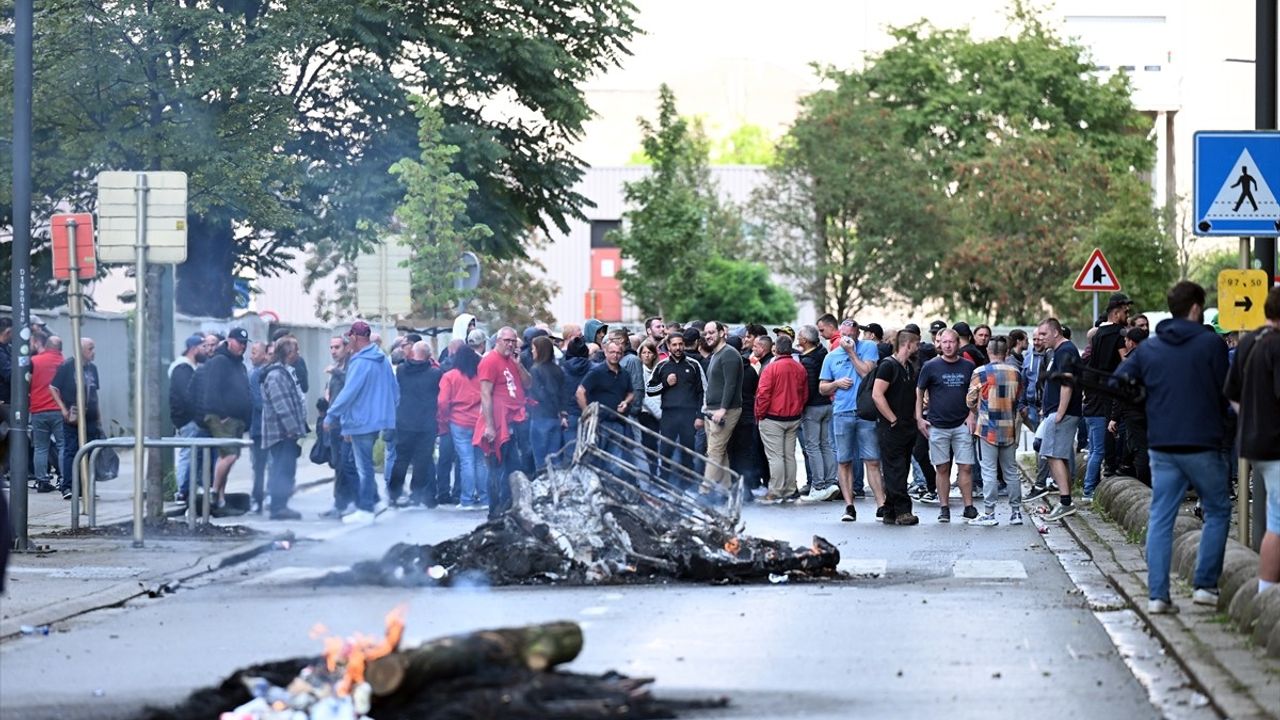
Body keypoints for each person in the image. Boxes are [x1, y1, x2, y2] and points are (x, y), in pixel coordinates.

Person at [1117, 281, 1230, 614]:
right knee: (1218, 511)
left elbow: (1121, 379)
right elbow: (1226, 391)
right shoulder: (1211, 344)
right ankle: (1205, 587)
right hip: (1204, 444)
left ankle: (1157, 596)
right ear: (1195, 308)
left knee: (1161, 517)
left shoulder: (1149, 348)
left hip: (1162, 444)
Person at [1224, 285, 1280, 598]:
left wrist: (1253, 420)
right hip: (1276, 446)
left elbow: (1231, 392)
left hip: (1253, 443)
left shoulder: (1250, 341)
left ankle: (1266, 593)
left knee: (1276, 519)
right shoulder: (1277, 346)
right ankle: (1267, 597)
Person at [325, 321, 399, 524]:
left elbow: (349, 393)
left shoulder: (359, 362)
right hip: (377, 420)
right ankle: (375, 502)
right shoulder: (381, 359)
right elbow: (394, 389)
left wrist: (331, 415)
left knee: (363, 467)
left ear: (356, 338)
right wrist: (389, 415)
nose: (349, 342)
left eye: (350, 338)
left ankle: (366, 509)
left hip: (359, 420)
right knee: (362, 464)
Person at [914, 329, 977, 524]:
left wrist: (972, 414)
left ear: (958, 344)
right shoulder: (930, 366)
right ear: (939, 344)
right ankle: (944, 507)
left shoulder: (968, 366)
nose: (948, 345)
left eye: (952, 342)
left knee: (966, 466)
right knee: (942, 468)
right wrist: (919, 418)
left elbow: (976, 392)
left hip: (961, 423)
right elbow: (919, 390)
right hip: (938, 424)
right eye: (945, 342)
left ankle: (968, 506)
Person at [819, 323, 879, 521]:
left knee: (871, 459)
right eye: (843, 335)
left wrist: (852, 353)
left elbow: (867, 374)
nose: (846, 339)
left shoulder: (868, 348)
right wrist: (836, 384)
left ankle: (881, 505)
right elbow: (822, 388)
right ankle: (849, 506)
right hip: (842, 413)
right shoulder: (831, 356)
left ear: (857, 334)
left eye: (850, 335)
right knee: (844, 460)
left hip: (865, 412)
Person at [1026, 318, 1083, 522]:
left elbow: (1067, 382)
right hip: (1056, 412)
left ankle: (1065, 502)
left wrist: (1059, 412)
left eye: (1043, 334)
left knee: (1051, 455)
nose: (1040, 338)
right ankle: (1066, 500)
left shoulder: (1065, 351)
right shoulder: (1059, 352)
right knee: (1056, 454)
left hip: (1062, 413)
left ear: (1056, 333)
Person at [965, 336, 1024, 526]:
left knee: (988, 471)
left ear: (988, 352)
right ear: (1006, 353)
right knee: (1011, 471)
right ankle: (1016, 512)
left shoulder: (980, 372)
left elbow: (970, 400)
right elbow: (1018, 398)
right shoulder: (1016, 372)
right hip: (1009, 427)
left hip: (987, 428)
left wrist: (977, 408)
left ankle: (989, 513)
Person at [194, 328, 254, 510]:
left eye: (244, 343)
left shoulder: (239, 364)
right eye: (239, 342)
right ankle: (214, 490)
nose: (242, 346)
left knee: (227, 456)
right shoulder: (219, 361)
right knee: (230, 455)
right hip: (222, 417)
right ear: (229, 341)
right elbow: (212, 389)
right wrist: (221, 414)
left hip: (237, 417)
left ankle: (220, 497)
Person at [1082, 291, 1132, 501]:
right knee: (1105, 442)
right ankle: (1090, 488)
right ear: (1116, 312)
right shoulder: (1119, 333)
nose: (1128, 315)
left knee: (1096, 445)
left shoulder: (1099, 334)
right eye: (1125, 311)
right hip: (1112, 392)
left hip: (1097, 390)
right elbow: (1125, 361)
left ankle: (1090, 486)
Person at [477, 326, 530, 519]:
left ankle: (507, 508)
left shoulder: (512, 361)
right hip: (498, 423)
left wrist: (518, 364)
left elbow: (528, 384)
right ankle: (494, 511)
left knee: (513, 468)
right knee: (497, 468)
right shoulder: (490, 360)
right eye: (507, 340)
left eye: (513, 341)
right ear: (497, 341)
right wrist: (490, 426)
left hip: (514, 422)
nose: (510, 344)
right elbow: (485, 394)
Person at [871, 327, 921, 526]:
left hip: (907, 426)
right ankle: (902, 511)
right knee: (895, 469)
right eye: (916, 343)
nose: (918, 347)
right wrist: (892, 419)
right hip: (892, 428)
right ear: (907, 344)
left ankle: (890, 510)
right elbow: (877, 394)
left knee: (901, 468)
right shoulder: (887, 366)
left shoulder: (908, 366)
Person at [388, 341, 443, 506]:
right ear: (428, 356)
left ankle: (394, 492)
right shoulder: (435, 374)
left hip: (404, 421)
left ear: (412, 353)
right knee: (422, 460)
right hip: (426, 424)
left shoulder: (402, 370)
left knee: (401, 458)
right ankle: (416, 493)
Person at [755, 335, 808, 503]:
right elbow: (804, 393)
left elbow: (763, 394)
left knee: (775, 456)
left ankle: (776, 491)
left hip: (773, 417)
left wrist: (760, 414)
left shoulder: (771, 368)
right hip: (793, 417)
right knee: (789, 454)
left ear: (775, 349)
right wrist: (798, 408)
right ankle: (791, 489)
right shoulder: (799, 368)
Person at [646, 332, 705, 484]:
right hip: (669, 415)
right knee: (666, 450)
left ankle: (688, 484)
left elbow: (703, 391)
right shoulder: (662, 365)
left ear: (684, 345)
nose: (678, 347)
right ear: (669, 346)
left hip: (689, 415)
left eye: (680, 344)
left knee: (688, 451)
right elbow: (650, 390)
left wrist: (700, 416)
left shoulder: (693, 364)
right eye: (674, 344)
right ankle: (663, 482)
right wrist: (665, 383)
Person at [259, 337, 307, 520]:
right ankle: (278, 507)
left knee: (286, 468)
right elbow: (281, 405)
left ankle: (281, 505)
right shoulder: (276, 375)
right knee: (282, 469)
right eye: (296, 350)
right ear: (288, 353)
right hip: (281, 432)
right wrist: (292, 428)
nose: (298, 354)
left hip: (284, 431)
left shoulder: (281, 372)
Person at [49, 337, 102, 500]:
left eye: (93, 348)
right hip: (73, 416)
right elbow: (53, 387)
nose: (93, 352)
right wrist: (63, 409)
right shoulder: (67, 366)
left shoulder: (92, 369)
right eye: (90, 349)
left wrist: (99, 417)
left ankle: (86, 485)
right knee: (71, 450)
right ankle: (68, 486)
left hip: (90, 417)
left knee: (90, 450)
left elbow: (94, 394)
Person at [438, 345, 487, 509]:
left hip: (459, 421)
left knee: (466, 461)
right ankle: (485, 498)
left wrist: (445, 417)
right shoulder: (481, 376)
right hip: (480, 421)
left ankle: (466, 499)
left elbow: (442, 401)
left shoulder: (449, 376)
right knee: (480, 461)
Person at [170, 333, 213, 502]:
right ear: (194, 349)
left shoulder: (192, 367)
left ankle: (189, 489)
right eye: (203, 346)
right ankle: (182, 492)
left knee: (193, 455)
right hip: (188, 420)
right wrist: (193, 418)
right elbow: (186, 395)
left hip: (192, 420)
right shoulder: (183, 368)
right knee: (188, 454)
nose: (207, 350)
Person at [700, 321, 743, 491]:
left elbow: (730, 385)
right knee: (720, 451)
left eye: (711, 332)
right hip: (712, 410)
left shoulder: (729, 354)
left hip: (726, 410)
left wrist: (722, 409)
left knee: (715, 451)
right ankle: (725, 488)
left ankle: (704, 491)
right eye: (706, 333)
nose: (708, 336)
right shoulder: (716, 354)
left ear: (722, 333)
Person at [797, 325, 837, 503]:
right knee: (825, 444)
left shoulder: (808, 361)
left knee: (812, 446)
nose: (797, 339)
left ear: (805, 341)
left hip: (813, 407)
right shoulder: (823, 353)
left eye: (799, 336)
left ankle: (818, 486)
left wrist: (801, 406)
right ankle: (830, 482)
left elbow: (809, 387)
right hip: (827, 405)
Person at [28, 335, 65, 494]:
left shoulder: (34, 361)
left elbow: (27, 383)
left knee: (40, 448)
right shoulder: (64, 362)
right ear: (60, 348)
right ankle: (64, 479)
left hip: (38, 410)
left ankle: (42, 481)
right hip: (59, 410)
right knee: (63, 445)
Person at [529, 335, 569, 472]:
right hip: (556, 418)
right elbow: (564, 394)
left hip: (540, 417)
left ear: (539, 350)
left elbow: (539, 394)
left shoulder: (535, 370)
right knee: (555, 458)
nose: (532, 352)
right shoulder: (558, 370)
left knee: (541, 460)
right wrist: (562, 414)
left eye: (533, 349)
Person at [245, 341, 270, 513]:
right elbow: (257, 402)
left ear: (264, 355)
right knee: (259, 465)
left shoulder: (261, 373)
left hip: (264, 428)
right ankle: (258, 497)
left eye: (254, 352)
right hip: (259, 428)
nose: (251, 356)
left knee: (262, 465)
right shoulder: (255, 375)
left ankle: (262, 497)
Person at [636, 339, 663, 474]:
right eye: (644, 352)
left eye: (649, 352)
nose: (646, 355)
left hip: (659, 412)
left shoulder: (658, 370)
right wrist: (659, 413)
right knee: (649, 445)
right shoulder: (640, 371)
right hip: (647, 413)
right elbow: (644, 395)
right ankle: (652, 474)